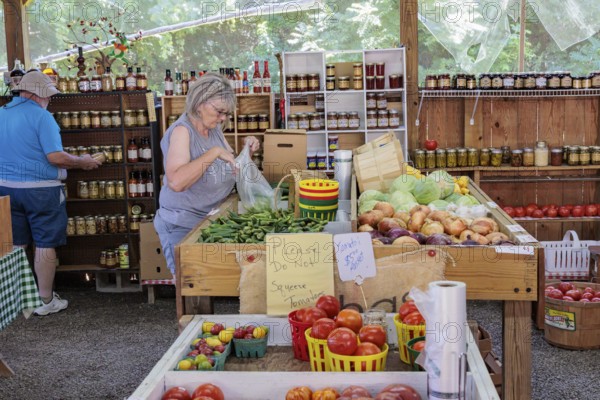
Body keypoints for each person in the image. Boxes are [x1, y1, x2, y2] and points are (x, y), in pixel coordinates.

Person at [0, 71, 101, 316]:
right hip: (41, 190)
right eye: (48, 96)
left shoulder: (2, 114)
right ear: (38, 94)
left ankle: (16, 300)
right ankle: (45, 300)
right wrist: (82, 161)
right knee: (45, 244)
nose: (50, 100)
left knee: (15, 245)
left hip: (5, 188)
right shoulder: (42, 117)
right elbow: (55, 157)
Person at [154, 73, 260, 274]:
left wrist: (247, 151)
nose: (222, 118)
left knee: (208, 288)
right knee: (191, 290)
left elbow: (231, 165)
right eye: (219, 111)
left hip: (210, 221)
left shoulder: (213, 128)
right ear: (199, 102)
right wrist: (214, 153)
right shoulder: (181, 132)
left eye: (226, 114)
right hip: (183, 226)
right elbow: (176, 182)